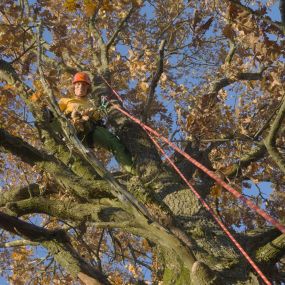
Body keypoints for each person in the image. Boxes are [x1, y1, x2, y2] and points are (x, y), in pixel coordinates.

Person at [58, 72, 134, 174]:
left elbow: (97, 117)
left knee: (114, 142)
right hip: (72, 127)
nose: (81, 87)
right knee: (76, 162)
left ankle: (133, 169)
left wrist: (100, 110)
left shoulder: (91, 103)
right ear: (74, 86)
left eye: (84, 85)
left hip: (91, 129)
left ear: (88, 88)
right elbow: (55, 114)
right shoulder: (65, 101)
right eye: (78, 84)